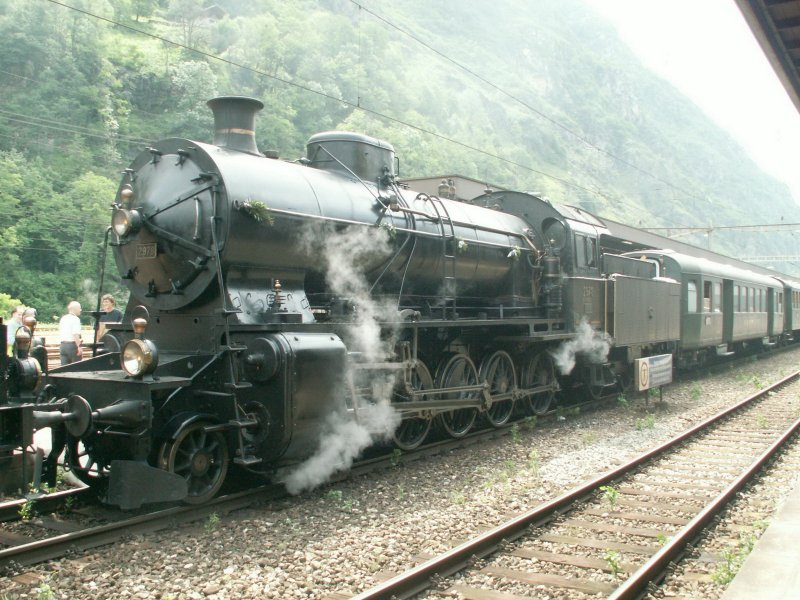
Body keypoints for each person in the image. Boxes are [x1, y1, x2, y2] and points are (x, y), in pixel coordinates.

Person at [59, 301, 83, 365]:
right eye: (79, 308)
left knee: (64, 368)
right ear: (75, 309)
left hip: (63, 345)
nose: (80, 310)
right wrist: (79, 346)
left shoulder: (63, 318)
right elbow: (75, 334)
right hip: (72, 346)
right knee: (76, 367)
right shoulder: (75, 319)